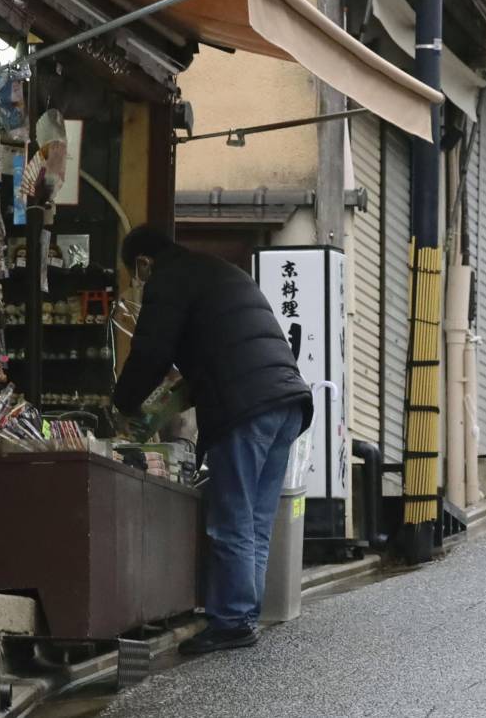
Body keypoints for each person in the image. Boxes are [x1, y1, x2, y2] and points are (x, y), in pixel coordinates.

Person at [113, 226, 312, 655]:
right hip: (287, 401)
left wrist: (121, 405)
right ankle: (243, 614)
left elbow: (150, 352)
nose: (138, 284)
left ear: (144, 263)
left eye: (135, 274)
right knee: (257, 519)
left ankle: (232, 619)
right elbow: (216, 352)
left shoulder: (168, 278)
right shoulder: (216, 271)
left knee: (232, 518)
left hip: (246, 406)